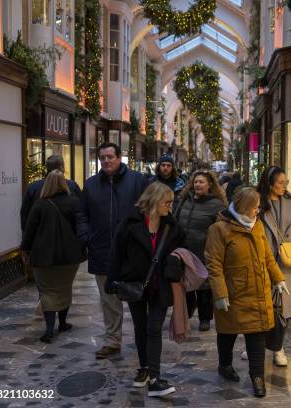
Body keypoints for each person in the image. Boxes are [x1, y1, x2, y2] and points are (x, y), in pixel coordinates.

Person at [205, 187, 288, 397]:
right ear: (243, 207)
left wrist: (278, 278)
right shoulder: (219, 229)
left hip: (258, 292)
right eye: (255, 207)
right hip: (233, 293)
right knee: (227, 334)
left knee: (257, 337)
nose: (258, 211)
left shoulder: (257, 226)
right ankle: (224, 365)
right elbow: (213, 264)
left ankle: (257, 377)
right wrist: (220, 293)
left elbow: (268, 255)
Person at [107, 182, 185, 397]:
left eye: (171, 202)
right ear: (154, 201)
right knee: (141, 328)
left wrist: (174, 264)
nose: (170, 205)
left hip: (160, 285)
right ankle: (144, 369)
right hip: (135, 285)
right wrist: (112, 281)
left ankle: (154, 378)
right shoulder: (130, 223)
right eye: (166, 202)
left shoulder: (171, 225)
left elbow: (181, 248)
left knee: (153, 328)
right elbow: (117, 253)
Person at [77, 142, 149, 359]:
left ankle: (143, 340)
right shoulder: (90, 185)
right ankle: (112, 340)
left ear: (119, 158)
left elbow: (149, 211)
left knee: (138, 298)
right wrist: (86, 237)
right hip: (102, 250)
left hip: (132, 253)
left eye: (110, 157)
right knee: (109, 299)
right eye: (102, 158)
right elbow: (81, 214)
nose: (106, 161)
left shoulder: (137, 181)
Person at [21, 170, 86, 343]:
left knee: (47, 291)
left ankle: (49, 329)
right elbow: (81, 228)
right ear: (64, 183)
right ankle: (63, 323)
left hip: (43, 257)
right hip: (69, 257)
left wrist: (25, 250)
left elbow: (29, 231)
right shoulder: (74, 203)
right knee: (64, 289)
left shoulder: (40, 205)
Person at [256, 166, 291, 367]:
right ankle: (258, 344)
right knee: (263, 305)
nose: (283, 186)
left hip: (288, 262)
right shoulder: (259, 203)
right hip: (265, 259)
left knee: (284, 308)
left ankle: (279, 348)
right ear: (269, 183)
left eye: (285, 182)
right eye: (280, 182)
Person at [175, 170, 227, 331]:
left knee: (205, 287)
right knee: (188, 283)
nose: (197, 184)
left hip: (205, 251)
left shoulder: (217, 204)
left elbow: (222, 229)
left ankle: (205, 318)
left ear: (210, 184)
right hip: (185, 250)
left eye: (201, 182)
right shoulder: (185, 199)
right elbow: (175, 219)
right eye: (196, 182)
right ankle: (189, 311)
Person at [20, 155, 82, 231]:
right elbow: (81, 214)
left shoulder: (33, 188)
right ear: (62, 167)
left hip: (41, 238)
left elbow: (25, 215)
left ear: (47, 168)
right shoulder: (72, 186)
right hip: (69, 238)